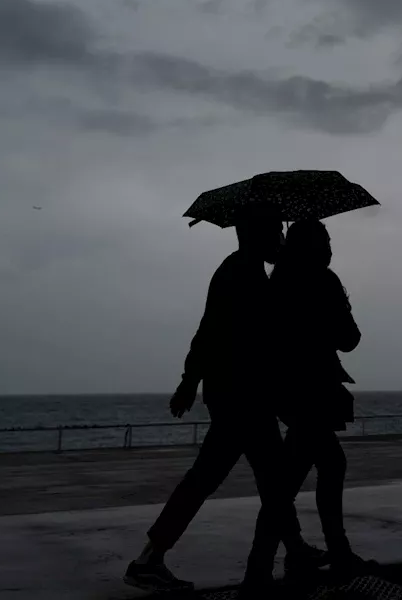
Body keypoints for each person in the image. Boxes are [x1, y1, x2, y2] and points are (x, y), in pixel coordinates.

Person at [124, 205, 326, 595]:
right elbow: (212, 332)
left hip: (242, 397)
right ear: (255, 235)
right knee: (249, 478)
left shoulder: (244, 271)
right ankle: (149, 559)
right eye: (275, 231)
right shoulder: (239, 274)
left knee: (254, 479)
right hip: (241, 399)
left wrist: (191, 381)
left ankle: (152, 557)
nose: (280, 239)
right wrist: (188, 381)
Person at [271, 219, 373, 578]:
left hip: (288, 393)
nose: (330, 247)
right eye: (326, 239)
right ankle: (327, 553)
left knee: (298, 473)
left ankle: (300, 550)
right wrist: (338, 304)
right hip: (313, 392)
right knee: (315, 470)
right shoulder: (323, 281)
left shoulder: (277, 282)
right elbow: (349, 338)